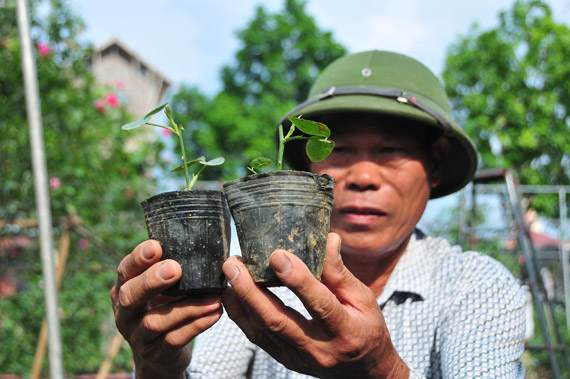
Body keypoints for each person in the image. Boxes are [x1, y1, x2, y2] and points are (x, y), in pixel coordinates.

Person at [111, 50, 525, 378]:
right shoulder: (254, 276)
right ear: (309, 170)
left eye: (391, 151)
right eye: (339, 150)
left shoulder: (474, 287)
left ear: (435, 163)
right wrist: (158, 368)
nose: (363, 176)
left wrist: (382, 371)